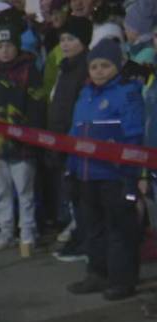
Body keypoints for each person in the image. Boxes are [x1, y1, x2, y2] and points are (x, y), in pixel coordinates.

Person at [66, 38, 146, 301]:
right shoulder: (85, 93)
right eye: (94, 66)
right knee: (93, 227)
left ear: (118, 66)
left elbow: (134, 136)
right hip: (86, 175)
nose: (98, 71)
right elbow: (74, 133)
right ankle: (97, 273)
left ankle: (122, 280)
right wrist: (71, 168)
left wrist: (129, 172)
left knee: (119, 229)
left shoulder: (127, 93)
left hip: (115, 176)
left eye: (105, 66)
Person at [0, 24, 46, 256]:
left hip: (22, 145)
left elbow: (37, 105)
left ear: (17, 47)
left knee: (24, 191)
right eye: (0, 46)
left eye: (9, 45)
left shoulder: (29, 71)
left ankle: (28, 233)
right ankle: (5, 230)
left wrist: (30, 134)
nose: (4, 51)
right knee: (0, 191)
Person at [49, 16, 93, 263]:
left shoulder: (85, 67)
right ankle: (80, 234)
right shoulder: (65, 67)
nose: (65, 44)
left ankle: (87, 240)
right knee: (73, 194)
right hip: (61, 140)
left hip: (76, 141)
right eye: (62, 39)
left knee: (83, 196)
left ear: (83, 41)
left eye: (71, 39)